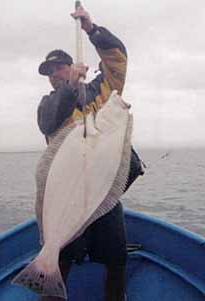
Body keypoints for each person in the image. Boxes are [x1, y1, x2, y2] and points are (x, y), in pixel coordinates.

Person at [36, 5, 143, 301]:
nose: (55, 74)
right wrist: (70, 88)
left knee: (117, 260)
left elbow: (117, 60)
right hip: (66, 198)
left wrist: (91, 29)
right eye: (49, 71)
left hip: (100, 196)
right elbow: (49, 121)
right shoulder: (49, 105)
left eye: (60, 67)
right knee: (59, 260)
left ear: (72, 66)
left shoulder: (102, 91)